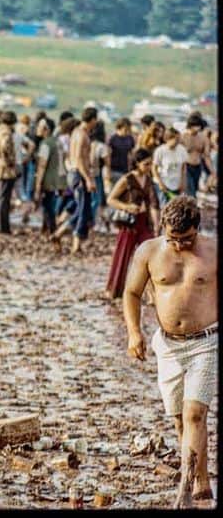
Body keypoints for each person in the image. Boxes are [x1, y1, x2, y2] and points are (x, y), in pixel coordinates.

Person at [123, 196, 217, 508]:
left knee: (195, 413)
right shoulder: (149, 251)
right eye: (173, 240)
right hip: (168, 345)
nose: (179, 246)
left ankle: (184, 489)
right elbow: (132, 293)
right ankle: (202, 479)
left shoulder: (213, 251)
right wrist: (134, 332)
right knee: (180, 419)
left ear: (198, 229)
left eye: (187, 239)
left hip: (206, 341)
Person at [105, 148, 160, 299]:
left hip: (144, 222)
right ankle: (114, 290)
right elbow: (110, 199)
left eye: (150, 164)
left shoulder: (148, 180)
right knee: (122, 256)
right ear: (137, 163)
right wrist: (127, 207)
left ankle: (152, 294)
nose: (149, 167)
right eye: (146, 164)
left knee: (151, 257)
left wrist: (156, 225)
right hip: (129, 223)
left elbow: (154, 203)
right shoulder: (127, 179)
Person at [51, 107, 98, 254]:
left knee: (82, 209)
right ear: (93, 119)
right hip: (79, 174)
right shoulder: (82, 135)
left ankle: (65, 236)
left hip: (74, 173)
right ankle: (70, 241)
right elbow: (78, 159)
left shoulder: (76, 133)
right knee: (83, 209)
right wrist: (88, 179)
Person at [33, 117, 61, 236]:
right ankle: (46, 228)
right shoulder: (55, 142)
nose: (37, 129)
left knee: (48, 206)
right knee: (49, 205)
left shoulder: (45, 144)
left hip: (47, 179)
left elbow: (42, 166)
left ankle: (51, 230)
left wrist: (38, 184)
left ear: (46, 129)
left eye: (40, 126)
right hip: (55, 179)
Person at [153, 127, 188, 208]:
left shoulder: (181, 149)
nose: (178, 142)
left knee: (176, 207)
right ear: (168, 139)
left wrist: (183, 182)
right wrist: (160, 183)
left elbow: (183, 167)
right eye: (176, 139)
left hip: (177, 184)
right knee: (164, 207)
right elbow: (154, 168)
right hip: (164, 183)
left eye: (179, 139)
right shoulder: (160, 150)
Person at [181, 114, 214, 198]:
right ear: (190, 125)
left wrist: (212, 171)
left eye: (199, 126)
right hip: (186, 167)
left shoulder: (203, 138)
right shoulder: (183, 137)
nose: (197, 128)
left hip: (198, 167)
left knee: (194, 190)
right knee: (190, 191)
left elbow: (206, 156)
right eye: (195, 126)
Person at [108, 117, 136, 183]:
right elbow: (108, 156)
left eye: (128, 129)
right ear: (119, 128)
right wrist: (108, 171)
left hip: (126, 170)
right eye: (125, 129)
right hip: (114, 170)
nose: (127, 131)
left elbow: (132, 153)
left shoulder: (130, 138)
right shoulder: (112, 139)